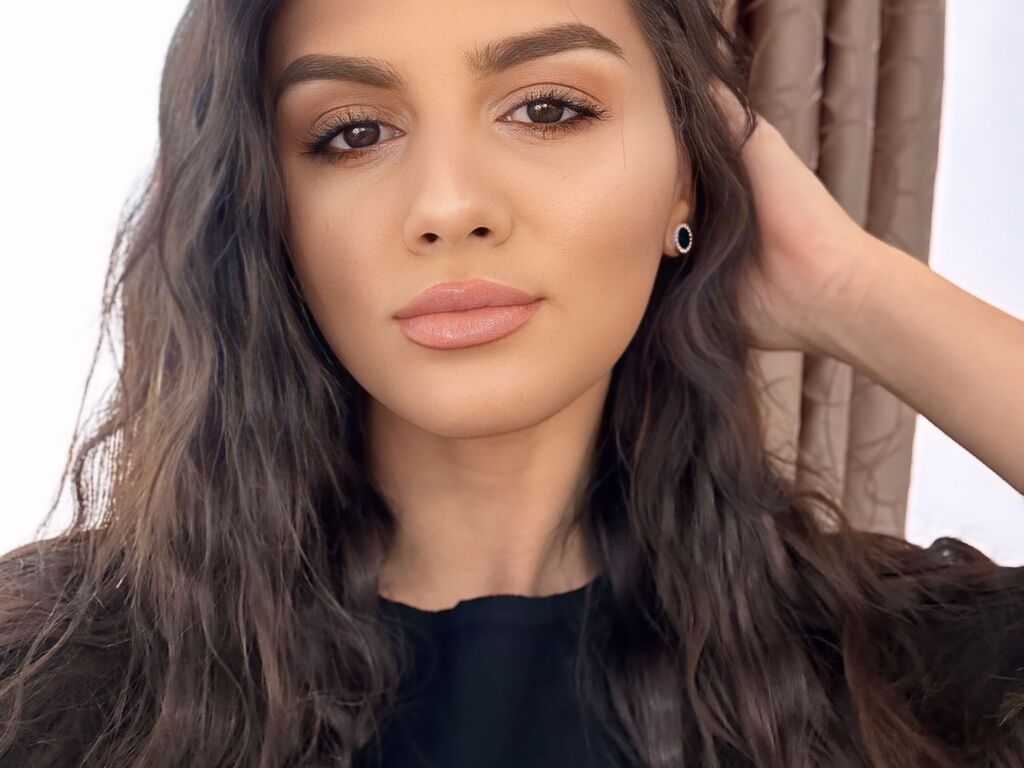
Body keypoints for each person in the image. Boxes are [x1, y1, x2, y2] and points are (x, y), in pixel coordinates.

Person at [1, 0, 1022, 766]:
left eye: (547, 108)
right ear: (266, 210)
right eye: (352, 132)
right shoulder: (44, 674)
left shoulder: (898, 673)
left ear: (685, 174)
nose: (449, 206)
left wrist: (845, 287)